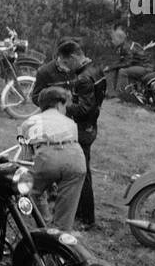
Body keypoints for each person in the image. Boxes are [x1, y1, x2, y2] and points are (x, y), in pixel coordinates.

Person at [31, 38, 106, 229]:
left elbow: (84, 108)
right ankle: (79, 212)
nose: (65, 68)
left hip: (81, 129)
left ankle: (85, 217)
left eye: (66, 63)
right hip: (89, 126)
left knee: (81, 172)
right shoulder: (95, 69)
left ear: (73, 57)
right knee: (79, 170)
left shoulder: (83, 77)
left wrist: (60, 106)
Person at [19, 86, 88, 230]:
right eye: (65, 105)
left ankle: (43, 222)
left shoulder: (30, 122)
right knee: (68, 204)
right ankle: (61, 236)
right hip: (76, 158)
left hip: (47, 157)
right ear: (58, 104)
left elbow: (26, 157)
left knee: (28, 190)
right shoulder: (70, 123)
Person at [106, 24, 154, 96]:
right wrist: (112, 66)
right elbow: (123, 60)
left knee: (122, 71)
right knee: (116, 69)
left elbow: (127, 63)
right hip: (142, 65)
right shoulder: (124, 45)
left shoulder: (126, 47)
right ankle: (112, 92)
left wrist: (111, 67)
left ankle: (122, 94)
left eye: (113, 39)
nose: (112, 41)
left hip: (145, 67)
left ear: (119, 39)